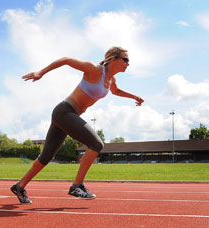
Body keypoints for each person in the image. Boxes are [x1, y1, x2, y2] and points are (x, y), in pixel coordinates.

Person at [10, 46, 144, 204]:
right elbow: (66, 60)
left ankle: (19, 186)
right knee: (96, 144)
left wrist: (134, 96)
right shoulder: (94, 70)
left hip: (66, 115)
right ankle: (77, 186)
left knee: (46, 157)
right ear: (113, 59)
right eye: (125, 59)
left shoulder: (111, 80)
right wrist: (41, 72)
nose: (128, 63)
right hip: (65, 111)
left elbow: (116, 91)